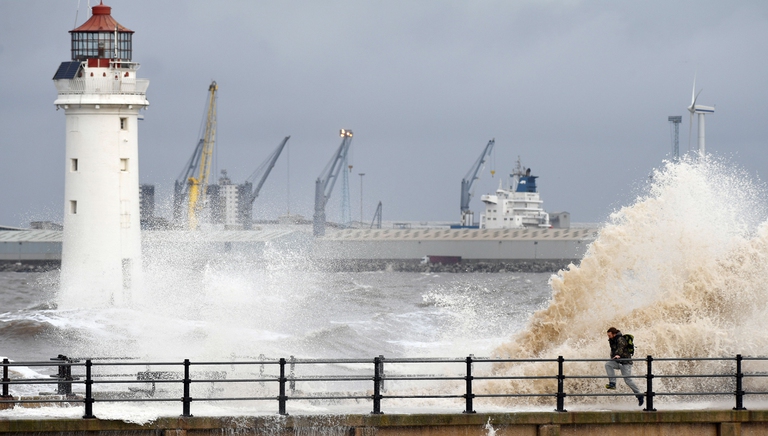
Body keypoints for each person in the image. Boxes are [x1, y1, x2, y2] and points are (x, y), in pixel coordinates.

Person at [605, 327, 644, 407]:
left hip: (626, 363)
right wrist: (613, 357)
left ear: (614, 334)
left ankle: (639, 395)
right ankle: (612, 383)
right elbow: (613, 350)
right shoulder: (612, 340)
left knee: (628, 380)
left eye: (609, 335)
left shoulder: (620, 339)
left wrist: (618, 354)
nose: (608, 337)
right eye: (608, 335)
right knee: (608, 364)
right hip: (618, 361)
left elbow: (621, 348)